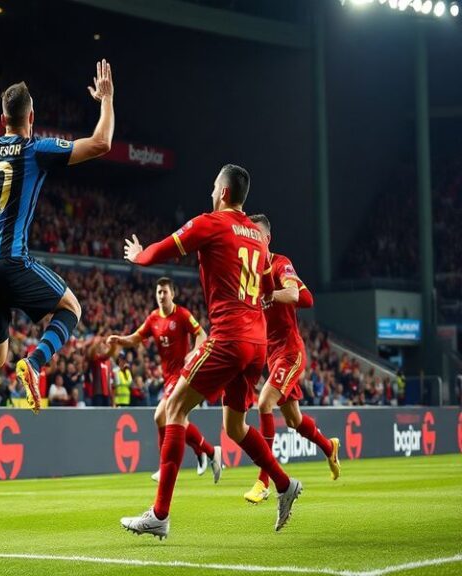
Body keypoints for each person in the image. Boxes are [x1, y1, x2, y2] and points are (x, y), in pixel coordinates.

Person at [0, 60, 116, 442]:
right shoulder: (35, 148)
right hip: (11, 260)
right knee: (71, 309)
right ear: (31, 116)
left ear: (2, 118)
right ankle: (34, 363)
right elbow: (101, 143)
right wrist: (107, 100)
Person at [119, 164, 301, 538]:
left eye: (213, 185)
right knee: (234, 427)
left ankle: (159, 514)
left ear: (222, 192)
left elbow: (161, 252)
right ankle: (284, 484)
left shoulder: (211, 222)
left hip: (229, 338)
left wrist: (138, 255)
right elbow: (267, 288)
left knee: (173, 408)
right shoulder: (258, 237)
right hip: (257, 343)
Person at [242, 214, 340, 503]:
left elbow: (294, 292)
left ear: (267, 238)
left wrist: (269, 296)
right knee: (295, 420)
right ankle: (328, 446)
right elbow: (306, 298)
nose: (251, 238)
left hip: (290, 350)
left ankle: (264, 481)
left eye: (256, 234)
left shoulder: (279, 263)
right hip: (269, 354)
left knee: (264, 402)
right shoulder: (249, 271)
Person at [108, 277, 222, 483]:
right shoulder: (153, 318)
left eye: (165, 292)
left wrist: (194, 352)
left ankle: (165, 467)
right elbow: (136, 337)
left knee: (161, 415)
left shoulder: (182, 315)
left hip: (183, 375)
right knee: (176, 420)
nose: (161, 296)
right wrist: (119, 340)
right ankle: (209, 451)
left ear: (173, 294)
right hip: (168, 377)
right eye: (158, 292)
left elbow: (202, 334)